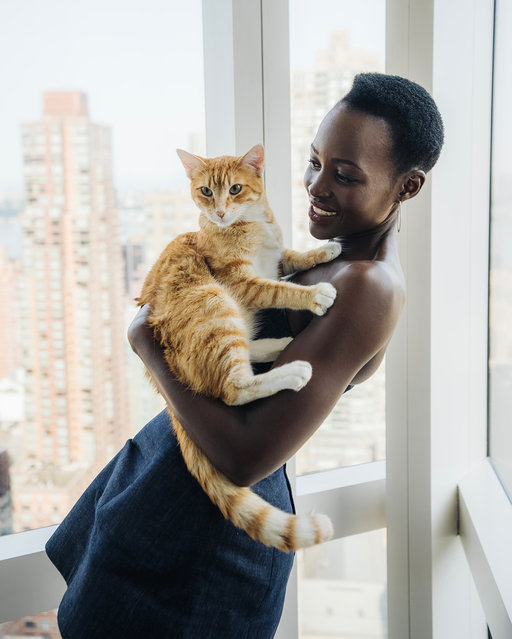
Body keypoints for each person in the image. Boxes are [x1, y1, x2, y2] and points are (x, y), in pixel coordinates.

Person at [46, 72, 444, 638]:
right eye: (315, 161)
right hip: (168, 484)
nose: (315, 186)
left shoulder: (368, 285)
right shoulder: (333, 257)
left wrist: (147, 346)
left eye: (346, 175)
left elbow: (247, 455)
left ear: (407, 187)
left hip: (204, 539)